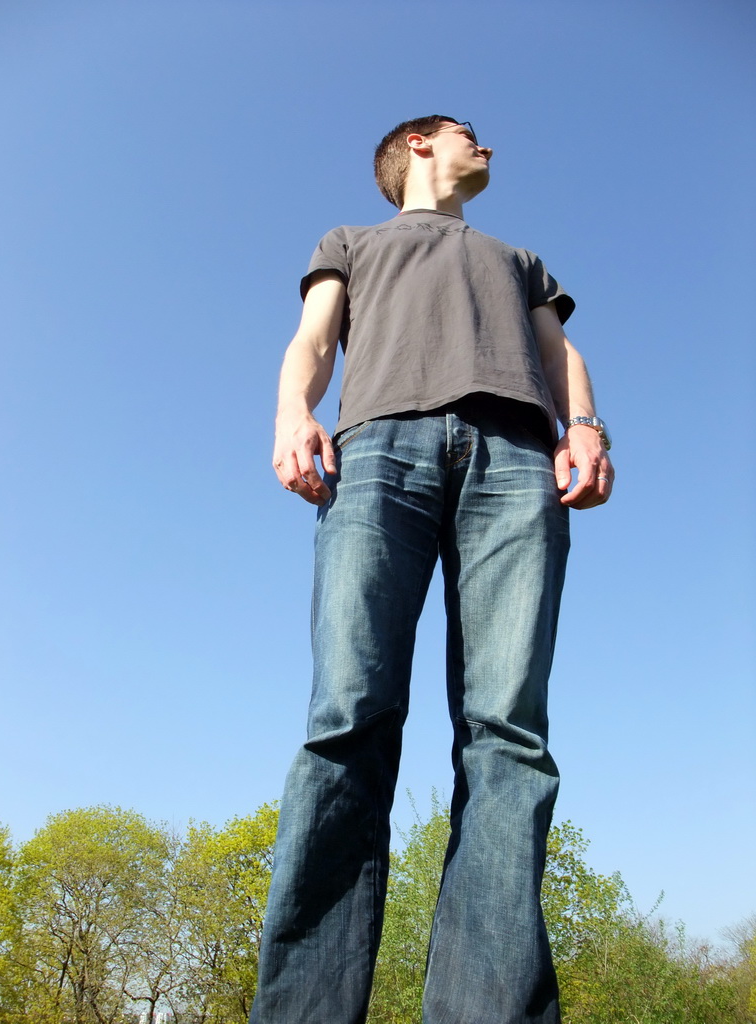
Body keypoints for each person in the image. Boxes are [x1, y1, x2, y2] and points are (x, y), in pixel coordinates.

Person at [251, 115, 614, 1024]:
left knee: (509, 734)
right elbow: (315, 339)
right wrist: (295, 414)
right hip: (379, 454)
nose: (485, 143)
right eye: (466, 132)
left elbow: (557, 351)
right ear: (417, 146)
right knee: (347, 717)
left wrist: (586, 428)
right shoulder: (352, 241)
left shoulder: (520, 257)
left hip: (516, 463)